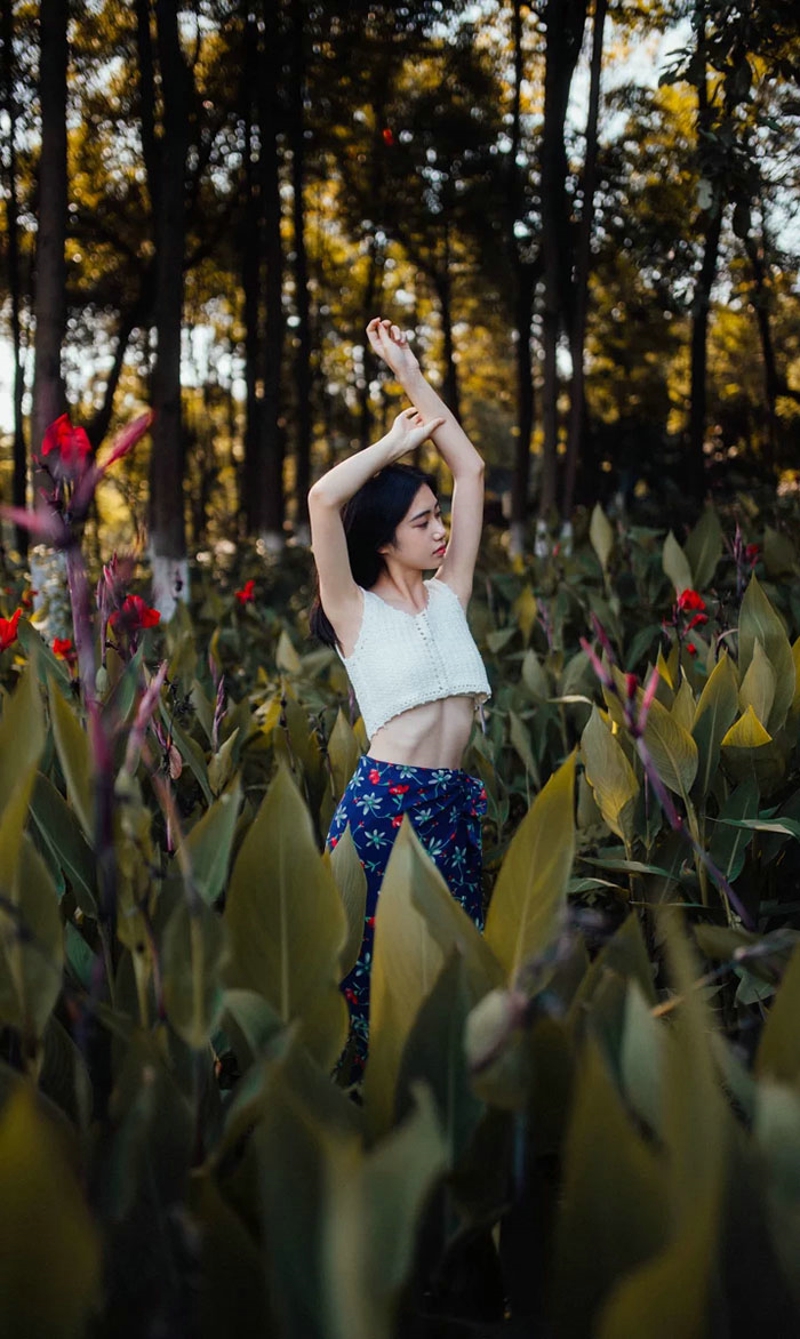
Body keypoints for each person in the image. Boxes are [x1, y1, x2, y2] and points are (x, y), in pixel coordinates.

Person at [308, 317, 491, 1072]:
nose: (441, 529)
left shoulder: (451, 594)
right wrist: (391, 445)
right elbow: (324, 499)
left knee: (454, 984)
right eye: (423, 522)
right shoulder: (355, 612)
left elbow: (471, 469)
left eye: (437, 516)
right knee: (369, 991)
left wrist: (413, 376)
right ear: (386, 540)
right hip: (383, 814)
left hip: (450, 807)